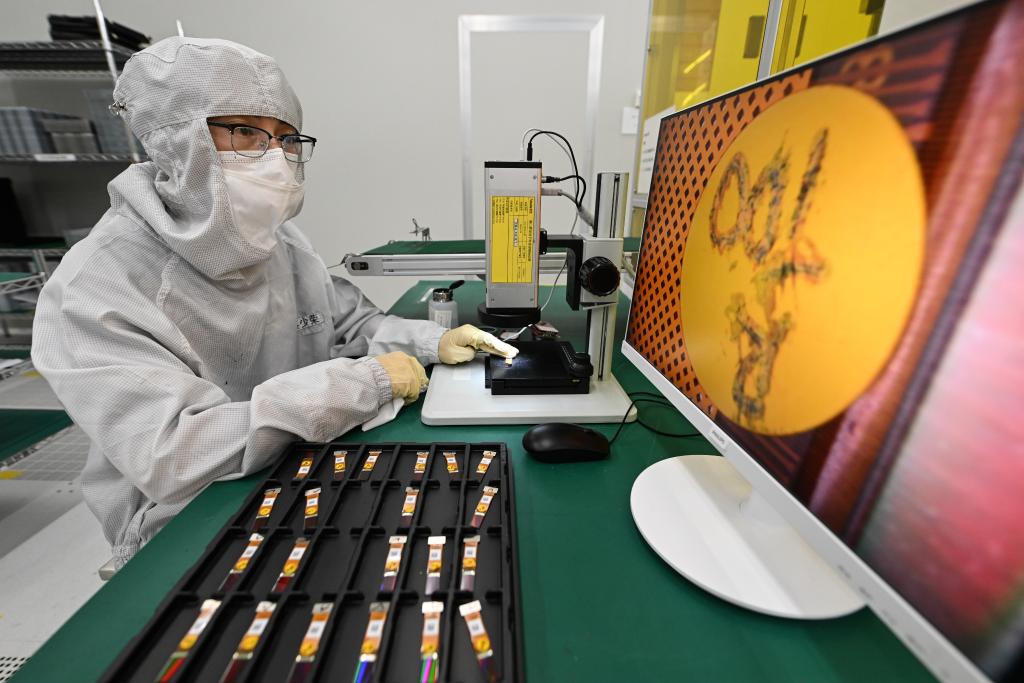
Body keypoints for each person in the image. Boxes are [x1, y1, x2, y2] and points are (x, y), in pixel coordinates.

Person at [31, 37, 515, 569]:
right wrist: (365, 382)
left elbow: (348, 322)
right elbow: (176, 454)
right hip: (187, 525)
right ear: (175, 139)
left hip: (302, 464)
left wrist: (432, 341)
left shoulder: (279, 242)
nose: (276, 159)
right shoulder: (96, 286)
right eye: (245, 132)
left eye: (286, 139)